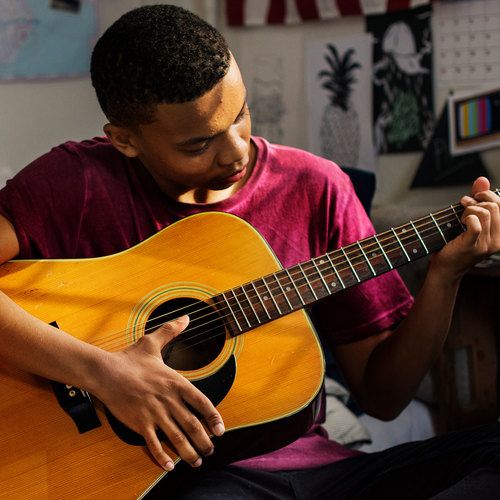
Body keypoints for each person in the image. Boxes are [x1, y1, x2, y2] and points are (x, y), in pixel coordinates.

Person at [0, 4, 499, 499]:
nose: (236, 150)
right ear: (125, 141)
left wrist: (445, 276)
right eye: (198, 145)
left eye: (240, 114)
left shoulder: (316, 187)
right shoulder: (78, 184)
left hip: (319, 470)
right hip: (195, 479)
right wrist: (102, 372)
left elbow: (384, 398)